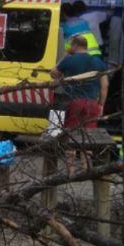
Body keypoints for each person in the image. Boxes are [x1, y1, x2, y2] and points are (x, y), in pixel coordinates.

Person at [51, 35, 109, 173]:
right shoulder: (98, 62)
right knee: (88, 137)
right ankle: (86, 169)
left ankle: (70, 171)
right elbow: (105, 85)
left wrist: (65, 56)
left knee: (71, 136)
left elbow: (53, 74)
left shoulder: (69, 60)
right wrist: (101, 104)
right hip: (92, 103)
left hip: (74, 102)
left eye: (70, 45)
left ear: (75, 46)